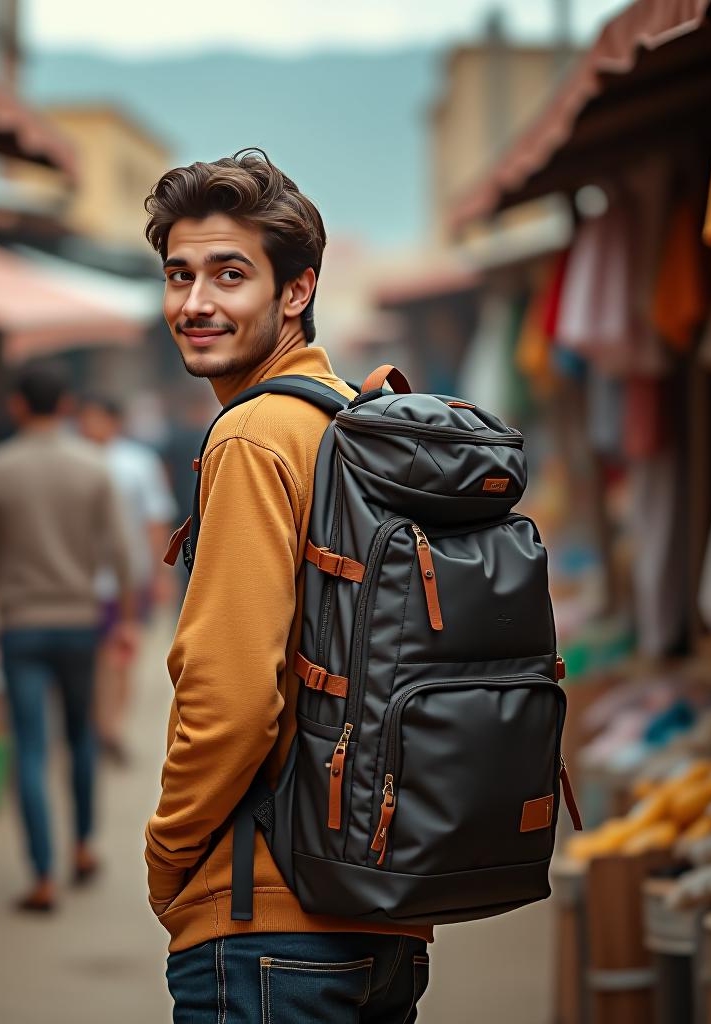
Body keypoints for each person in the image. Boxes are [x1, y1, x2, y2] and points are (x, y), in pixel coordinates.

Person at [143, 150, 433, 1021]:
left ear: (296, 292)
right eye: (179, 275)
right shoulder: (348, 415)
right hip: (377, 913)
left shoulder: (252, 436)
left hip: (265, 922)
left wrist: (169, 857)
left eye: (230, 275)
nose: (196, 303)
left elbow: (233, 702)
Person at [0, 358, 137, 912]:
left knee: (32, 750)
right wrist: (128, 619)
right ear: (66, 406)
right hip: (78, 622)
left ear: (17, 405)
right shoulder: (93, 467)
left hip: (20, 625)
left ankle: (42, 875)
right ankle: (84, 846)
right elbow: (123, 554)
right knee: (81, 737)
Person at [77, 393, 177, 764]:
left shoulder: (137, 463)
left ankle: (111, 726)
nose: (88, 427)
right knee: (93, 655)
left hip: (125, 578)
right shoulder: (74, 460)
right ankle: (98, 724)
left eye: (95, 418)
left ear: (112, 421)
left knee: (120, 653)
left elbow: (155, 522)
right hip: (81, 580)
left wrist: (157, 574)